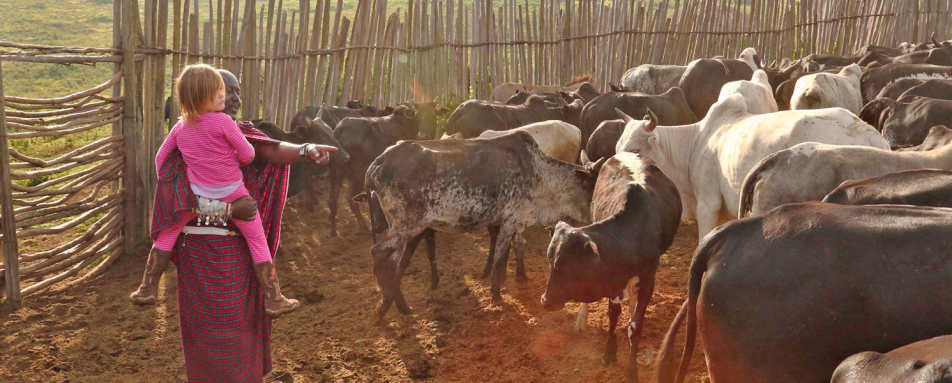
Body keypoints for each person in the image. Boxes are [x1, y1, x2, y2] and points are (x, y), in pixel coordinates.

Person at [136, 67, 335, 382]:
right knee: (207, 333)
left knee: (241, 326)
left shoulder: (229, 130)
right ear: (206, 94)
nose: (234, 97)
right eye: (226, 90)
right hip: (199, 255)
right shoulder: (187, 140)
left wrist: (305, 150)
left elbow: (268, 150)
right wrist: (226, 210)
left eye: (237, 91)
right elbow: (175, 203)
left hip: (234, 254)